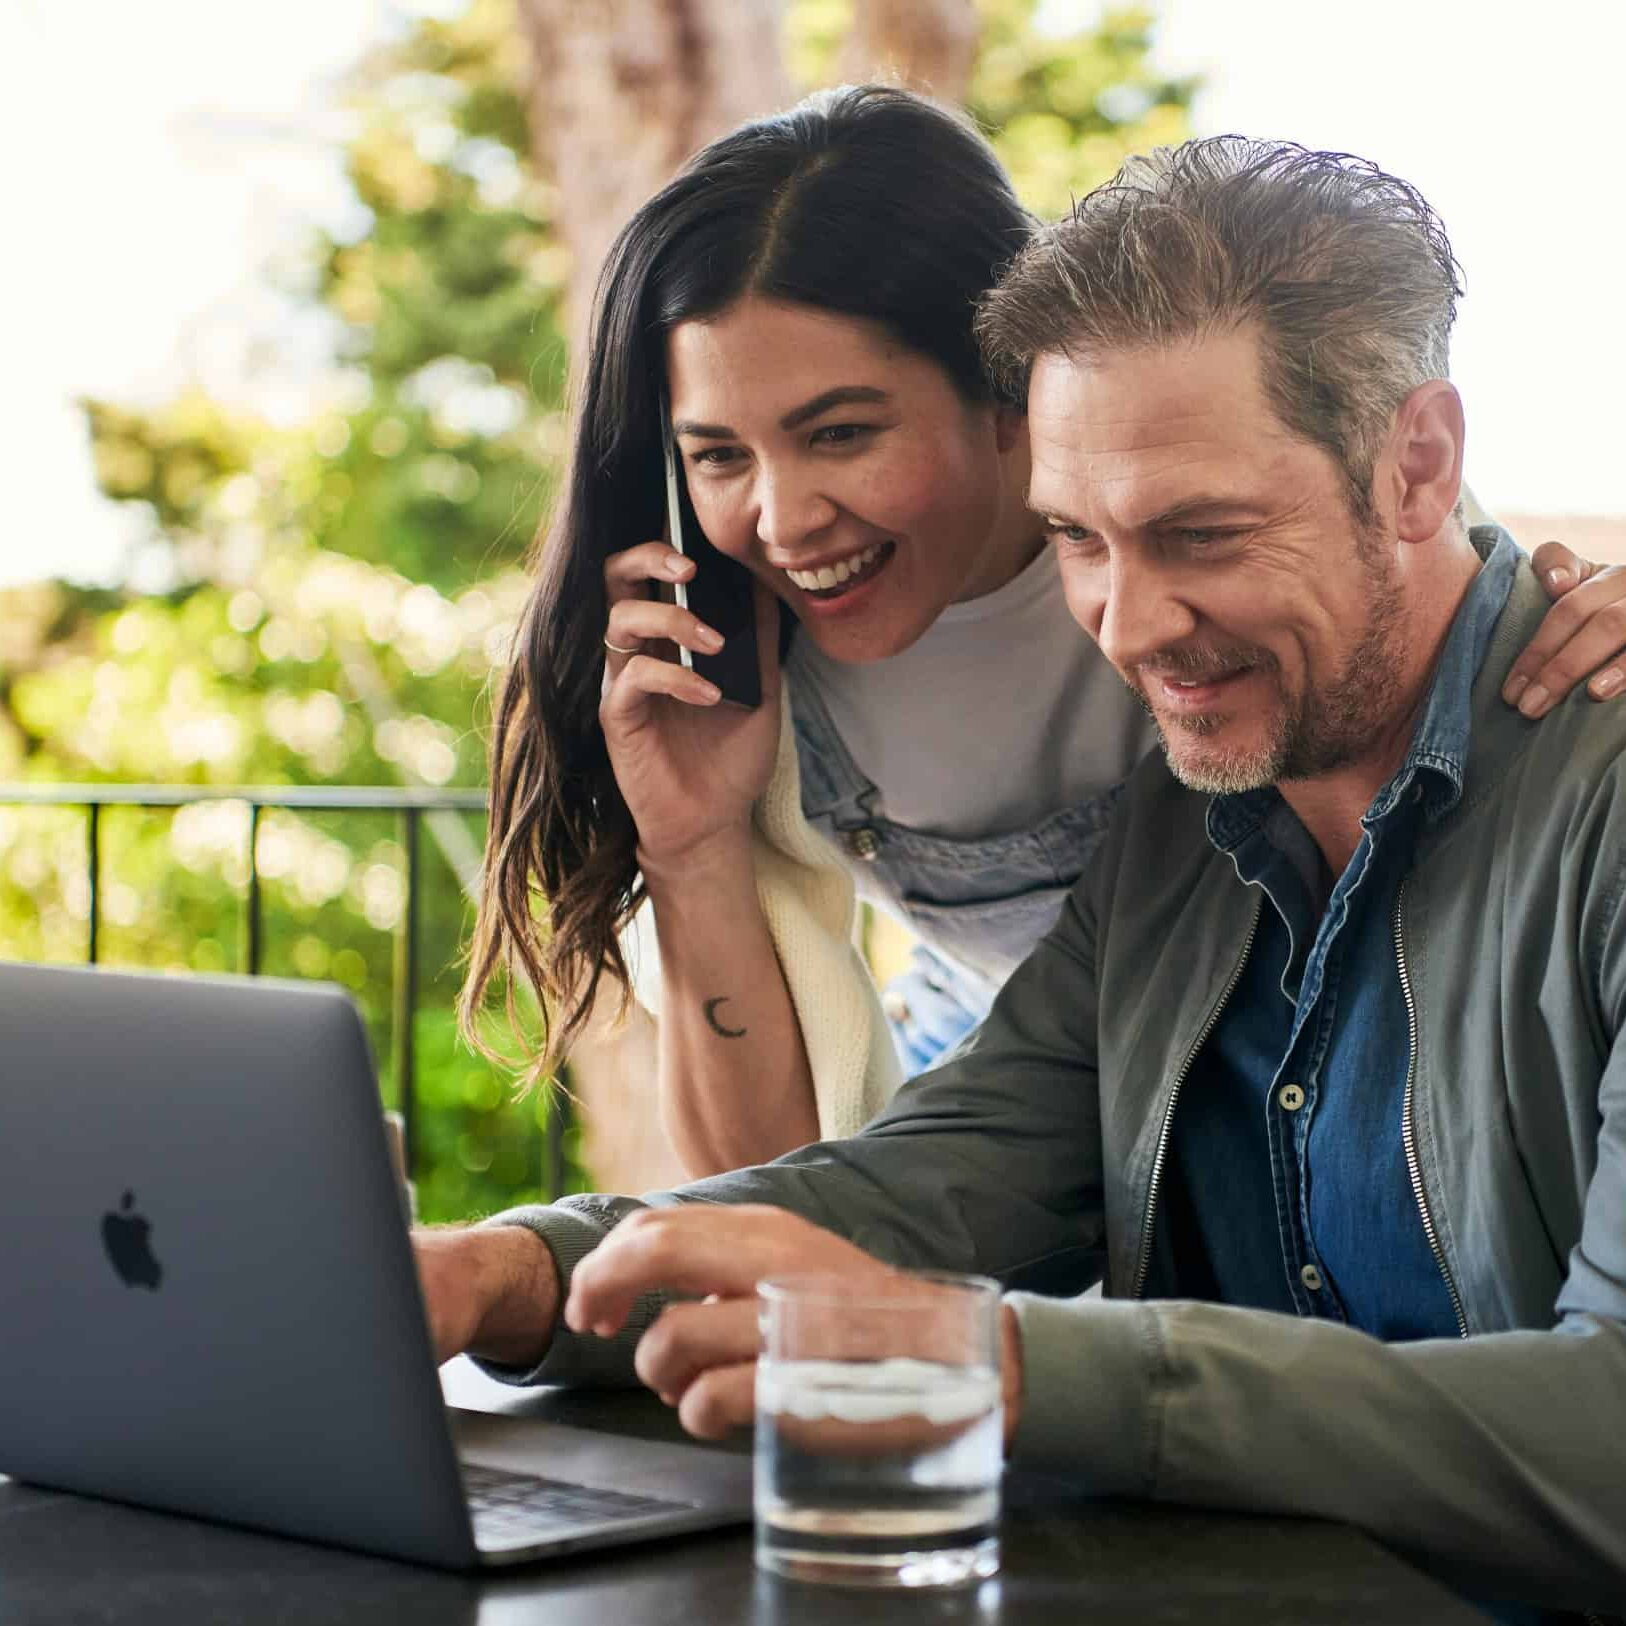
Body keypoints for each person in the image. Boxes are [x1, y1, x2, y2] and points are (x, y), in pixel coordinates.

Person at [419, 137, 1626, 1616]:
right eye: (1075, 540)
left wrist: (994, 1358)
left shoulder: (1595, 797)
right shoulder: (1181, 826)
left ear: (1417, 464)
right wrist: (514, 1276)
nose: (1130, 625)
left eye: (1200, 533)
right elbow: (930, 1182)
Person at [458, 86, 1626, 1179]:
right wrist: (694, 845)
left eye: (843, 434)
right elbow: (761, 1185)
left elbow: (1448, 589)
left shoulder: (1181, 501)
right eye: (719, 455)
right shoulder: (740, 677)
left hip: (1312, 1061)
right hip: (1002, 1081)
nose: (780, 519)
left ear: (1008, 393)